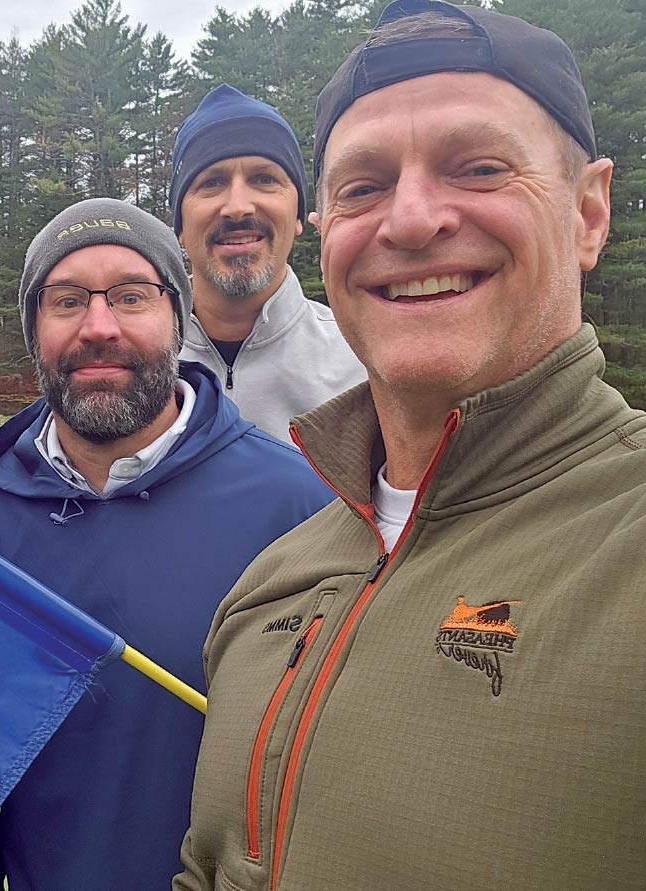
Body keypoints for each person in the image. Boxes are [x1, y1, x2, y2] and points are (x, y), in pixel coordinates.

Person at [176, 2, 645, 889]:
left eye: (477, 168)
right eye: (362, 187)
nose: (412, 220)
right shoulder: (270, 587)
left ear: (589, 214)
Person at [0, 198, 334, 891]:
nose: (100, 327)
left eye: (132, 296)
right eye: (67, 301)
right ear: (35, 333)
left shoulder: (297, 503)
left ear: (177, 319)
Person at [172, 84, 365, 442]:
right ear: (180, 227)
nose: (238, 206)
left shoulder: (364, 361)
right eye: (211, 182)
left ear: (297, 216)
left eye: (264, 179)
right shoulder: (133, 364)